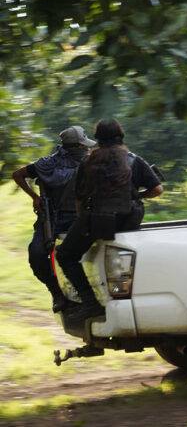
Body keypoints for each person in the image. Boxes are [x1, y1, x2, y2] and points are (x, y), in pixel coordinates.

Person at [56, 119, 163, 321]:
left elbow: (80, 199)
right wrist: (137, 196)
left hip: (98, 222)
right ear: (121, 136)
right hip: (128, 222)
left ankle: (91, 303)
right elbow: (157, 189)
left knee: (65, 256)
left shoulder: (88, 162)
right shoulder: (134, 161)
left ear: (97, 138)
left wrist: (83, 224)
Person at [12, 126, 96, 313]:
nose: (86, 149)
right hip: (51, 216)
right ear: (75, 147)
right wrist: (35, 197)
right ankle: (56, 293)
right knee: (36, 254)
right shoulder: (49, 163)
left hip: (79, 217)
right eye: (83, 146)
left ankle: (87, 297)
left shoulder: (90, 163)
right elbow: (18, 175)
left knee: (80, 256)